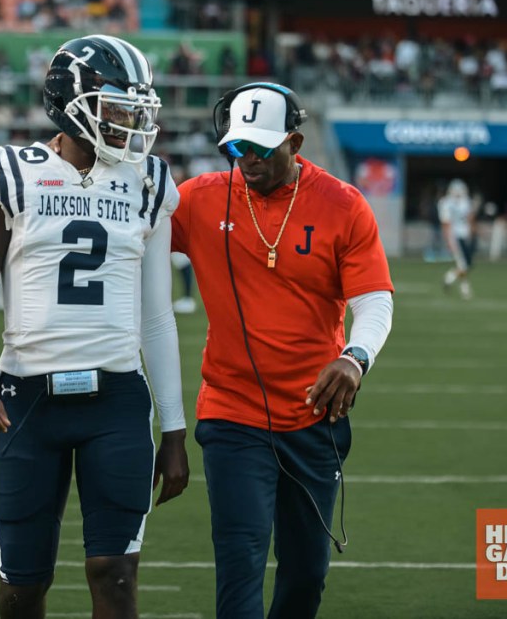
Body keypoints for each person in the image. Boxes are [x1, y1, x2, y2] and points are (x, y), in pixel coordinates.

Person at [0, 35, 189, 618]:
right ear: (71, 100)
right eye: (118, 107)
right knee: (22, 586)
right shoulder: (11, 171)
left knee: (115, 577)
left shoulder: (148, 180)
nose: (132, 122)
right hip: (25, 400)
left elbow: (157, 315)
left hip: (117, 400)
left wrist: (176, 430)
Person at [171, 83, 394, 619]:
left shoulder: (343, 204)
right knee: (240, 558)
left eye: (261, 148)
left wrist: (355, 356)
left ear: (294, 141)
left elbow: (375, 300)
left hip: (313, 416)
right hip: (232, 412)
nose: (246, 160)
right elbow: (128, 234)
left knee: (306, 573)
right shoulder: (200, 198)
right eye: (236, 147)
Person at [438, 178, 476, 300]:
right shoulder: (446, 203)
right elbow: (446, 223)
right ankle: (460, 286)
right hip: (454, 236)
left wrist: (471, 233)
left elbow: (470, 218)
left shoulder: (465, 202)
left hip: (463, 235)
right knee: (463, 264)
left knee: (465, 264)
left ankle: (452, 280)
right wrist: (448, 240)